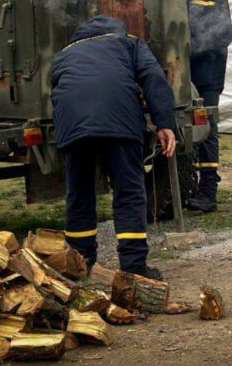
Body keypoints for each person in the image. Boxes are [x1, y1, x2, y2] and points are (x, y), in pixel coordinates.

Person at [50, 15, 178, 279]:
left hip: (72, 124)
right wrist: (164, 122)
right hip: (119, 120)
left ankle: (79, 264)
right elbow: (153, 77)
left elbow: (57, 88)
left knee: (80, 193)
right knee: (129, 191)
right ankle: (133, 268)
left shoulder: (64, 53)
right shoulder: (129, 42)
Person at [171, 0, 232, 213]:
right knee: (181, 128)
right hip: (181, 76)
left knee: (206, 130)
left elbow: (223, 34)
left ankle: (209, 190)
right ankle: (187, 187)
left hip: (207, 75)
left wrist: (190, 48)